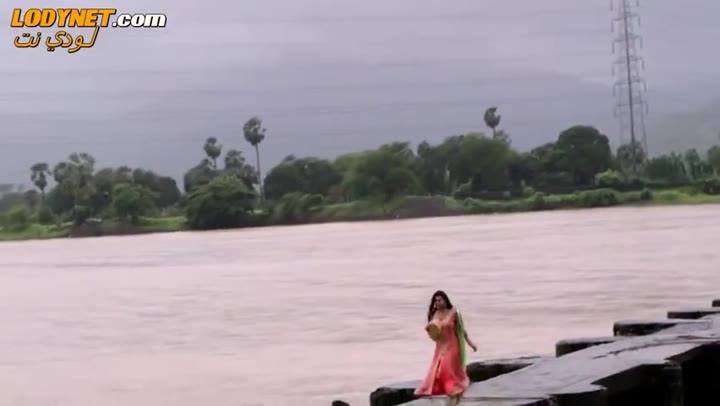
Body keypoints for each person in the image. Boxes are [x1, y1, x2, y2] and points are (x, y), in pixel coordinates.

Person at [415, 290, 477, 406]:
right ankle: (452, 397)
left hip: (453, 347)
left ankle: (452, 396)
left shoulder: (454, 312)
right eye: (435, 301)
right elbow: (433, 333)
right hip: (440, 348)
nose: (437, 303)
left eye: (440, 300)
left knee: (447, 370)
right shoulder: (435, 314)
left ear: (445, 300)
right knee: (438, 373)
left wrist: (471, 344)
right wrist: (429, 329)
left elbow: (461, 330)